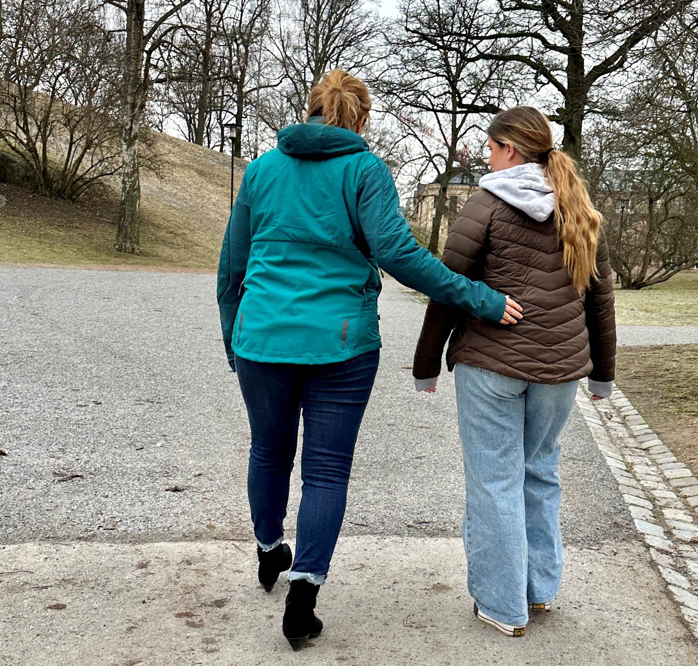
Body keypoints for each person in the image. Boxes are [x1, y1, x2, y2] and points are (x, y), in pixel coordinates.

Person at [216, 69, 523, 652]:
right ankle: (303, 596)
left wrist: (234, 338)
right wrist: (480, 298)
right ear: (361, 120)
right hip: (342, 344)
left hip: (261, 341)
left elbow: (231, 267)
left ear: (309, 112)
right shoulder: (364, 169)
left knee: (268, 450)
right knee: (326, 469)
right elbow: (398, 254)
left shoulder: (260, 170)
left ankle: (267, 550)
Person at [412, 106, 616, 637]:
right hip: (561, 371)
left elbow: (447, 286)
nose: (486, 155)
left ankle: (503, 605)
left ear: (511, 149)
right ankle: (539, 590)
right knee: (540, 471)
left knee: (494, 481)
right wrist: (603, 374)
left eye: (490, 146)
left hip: (492, 365)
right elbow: (601, 297)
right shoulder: (578, 206)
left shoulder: (486, 203)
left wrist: (426, 363)